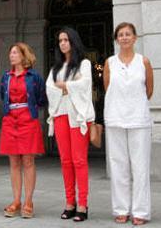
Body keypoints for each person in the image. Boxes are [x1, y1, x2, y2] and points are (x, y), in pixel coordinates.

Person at [103, 22, 155, 225]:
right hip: (115, 118)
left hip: (139, 119)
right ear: (116, 40)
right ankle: (121, 209)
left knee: (140, 167)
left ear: (135, 38)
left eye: (128, 34)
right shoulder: (110, 63)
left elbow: (148, 90)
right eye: (120, 35)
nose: (124, 38)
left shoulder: (144, 62)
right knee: (118, 166)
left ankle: (141, 211)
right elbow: (108, 88)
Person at [46, 27, 95, 223]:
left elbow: (85, 85)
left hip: (77, 116)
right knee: (65, 161)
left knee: (79, 161)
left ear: (73, 41)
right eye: (60, 41)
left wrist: (65, 86)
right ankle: (70, 203)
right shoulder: (56, 68)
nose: (63, 43)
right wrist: (69, 85)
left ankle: (82, 204)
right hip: (60, 116)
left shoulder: (83, 64)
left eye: (66, 39)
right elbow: (50, 89)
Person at [0, 42, 46, 219]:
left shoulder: (34, 76)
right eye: (10, 52)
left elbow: (41, 98)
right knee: (14, 162)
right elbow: (2, 95)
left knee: (28, 160)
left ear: (24, 56)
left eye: (15, 52)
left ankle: (28, 201)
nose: (11, 55)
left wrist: (29, 111)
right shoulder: (6, 77)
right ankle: (16, 200)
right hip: (10, 119)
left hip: (28, 118)